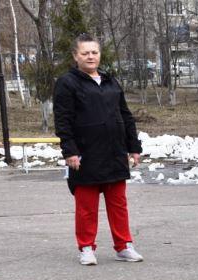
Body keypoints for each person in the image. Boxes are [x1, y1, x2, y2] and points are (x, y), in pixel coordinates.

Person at [54, 33, 144, 265]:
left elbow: (125, 115)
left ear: (99, 54)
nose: (90, 56)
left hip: (114, 153)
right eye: (85, 53)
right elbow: (62, 120)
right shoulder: (67, 83)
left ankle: (124, 246)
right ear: (76, 56)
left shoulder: (110, 80)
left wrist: (133, 147)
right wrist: (70, 151)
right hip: (85, 155)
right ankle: (86, 248)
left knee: (118, 205)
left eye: (94, 52)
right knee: (86, 208)